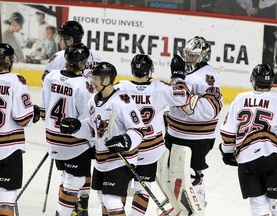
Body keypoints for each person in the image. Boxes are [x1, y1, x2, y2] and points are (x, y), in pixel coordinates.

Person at [60, 62, 161, 216]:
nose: (92, 82)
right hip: (102, 160)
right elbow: (93, 128)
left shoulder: (122, 101)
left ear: (106, 80)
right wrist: (77, 127)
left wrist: (125, 140)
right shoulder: (93, 100)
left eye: (95, 78)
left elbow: (139, 129)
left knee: (111, 200)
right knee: (102, 198)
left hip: (121, 159)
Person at [114, 54, 199, 216]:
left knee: (120, 188)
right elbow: (184, 96)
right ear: (150, 70)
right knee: (143, 189)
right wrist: (178, 76)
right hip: (150, 151)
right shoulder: (159, 88)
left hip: (126, 148)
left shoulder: (121, 87)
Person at [41, 20, 101, 215]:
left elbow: (47, 84)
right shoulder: (95, 57)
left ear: (70, 40)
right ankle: (81, 204)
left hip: (63, 127)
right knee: (84, 166)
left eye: (61, 37)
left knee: (70, 173)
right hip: (87, 121)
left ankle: (70, 206)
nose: (59, 41)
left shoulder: (59, 58)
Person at [165, 36, 223, 209]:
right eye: (188, 55)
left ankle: (197, 204)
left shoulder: (207, 75)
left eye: (193, 55)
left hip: (197, 137)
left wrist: (177, 80)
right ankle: (180, 205)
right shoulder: (186, 72)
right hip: (177, 132)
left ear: (203, 56)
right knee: (174, 172)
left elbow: (205, 110)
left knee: (192, 173)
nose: (189, 58)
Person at [0, 43, 40, 216]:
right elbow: (23, 119)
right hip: (7, 149)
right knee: (7, 195)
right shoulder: (15, 81)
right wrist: (35, 114)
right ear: (8, 60)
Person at [220, 64, 277, 216]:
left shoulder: (240, 98)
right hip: (273, 157)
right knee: (275, 205)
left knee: (259, 207)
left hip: (247, 160)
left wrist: (227, 153)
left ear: (253, 80)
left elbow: (227, 131)